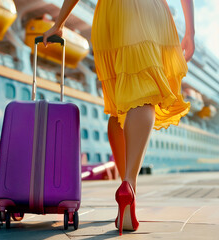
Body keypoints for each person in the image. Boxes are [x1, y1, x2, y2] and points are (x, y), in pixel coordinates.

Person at [42, 0, 195, 235]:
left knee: (118, 104)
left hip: (110, 15)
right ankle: (129, 185)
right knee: (144, 93)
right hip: (148, 9)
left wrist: (59, 22)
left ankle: (126, 190)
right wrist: (190, 31)